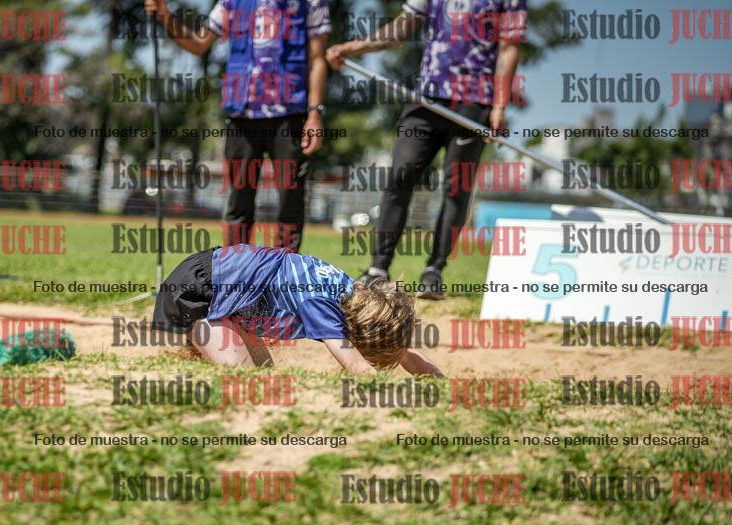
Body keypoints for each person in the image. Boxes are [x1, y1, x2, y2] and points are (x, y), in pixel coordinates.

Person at [326, 0, 526, 298]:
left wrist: (499, 106)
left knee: (456, 189)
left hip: (474, 104)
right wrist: (351, 47)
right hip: (426, 99)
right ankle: (378, 268)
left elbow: (509, 47)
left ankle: (434, 271)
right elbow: (400, 29)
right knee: (399, 176)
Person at [144, 0, 330, 251]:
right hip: (242, 115)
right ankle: (236, 268)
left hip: (290, 114)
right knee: (238, 203)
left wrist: (314, 114)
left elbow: (318, 59)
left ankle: (285, 269)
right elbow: (198, 43)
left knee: (291, 202)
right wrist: (166, 15)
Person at [153, 244, 444, 375]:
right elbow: (356, 367)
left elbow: (402, 351)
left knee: (264, 373)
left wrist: (436, 377)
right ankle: (198, 342)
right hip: (199, 293)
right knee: (249, 381)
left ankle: (200, 350)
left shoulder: (353, 294)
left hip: (225, 293)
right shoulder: (320, 305)